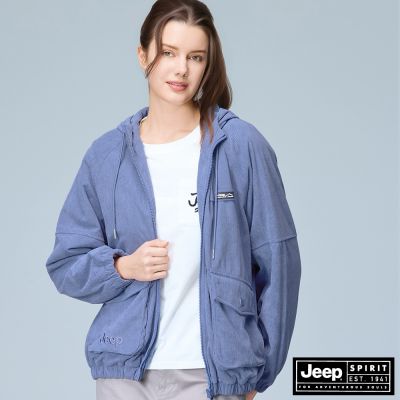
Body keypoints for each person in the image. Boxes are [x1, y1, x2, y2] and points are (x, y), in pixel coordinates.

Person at [45, 0, 302, 399]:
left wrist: (254, 376)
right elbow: (66, 263)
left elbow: (279, 261)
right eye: (168, 52)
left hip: (213, 374)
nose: (181, 69)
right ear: (142, 55)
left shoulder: (240, 146)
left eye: (195, 57)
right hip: (124, 374)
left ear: (207, 65)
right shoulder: (107, 156)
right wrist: (123, 267)